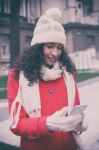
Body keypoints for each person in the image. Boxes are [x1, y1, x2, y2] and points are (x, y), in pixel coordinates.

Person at [7, 8, 87, 150]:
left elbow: (75, 108)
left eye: (59, 47)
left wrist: (78, 121)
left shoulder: (68, 73)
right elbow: (16, 124)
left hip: (69, 145)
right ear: (38, 47)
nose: (55, 53)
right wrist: (47, 123)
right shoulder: (17, 76)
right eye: (49, 46)